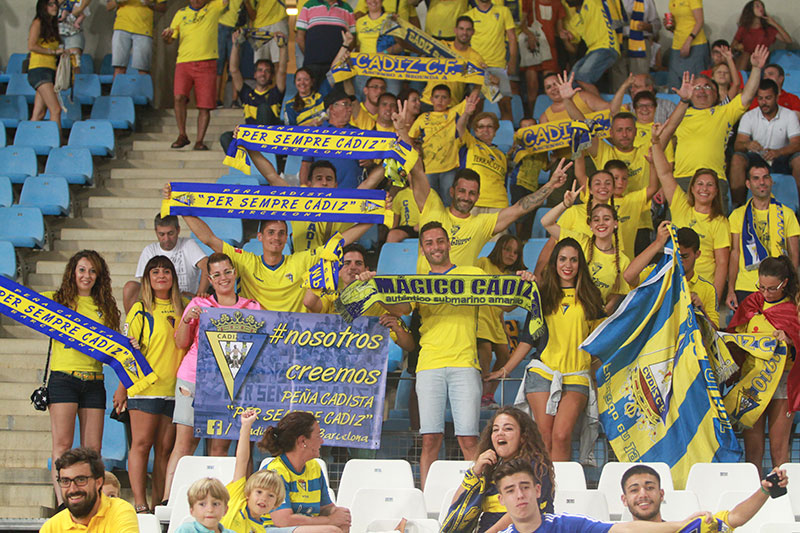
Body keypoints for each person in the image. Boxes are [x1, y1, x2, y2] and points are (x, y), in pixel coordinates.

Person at [371, 221, 504, 488]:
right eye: (429, 243)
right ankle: (427, 496)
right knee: (430, 439)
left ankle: (475, 496)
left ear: (449, 244)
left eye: (440, 241)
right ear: (422, 250)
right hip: (429, 365)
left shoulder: (472, 273)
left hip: (465, 365)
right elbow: (401, 309)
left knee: (468, 439)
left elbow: (507, 300)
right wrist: (376, 287)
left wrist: (523, 282)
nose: (436, 247)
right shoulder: (418, 283)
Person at [397, 100, 571, 273]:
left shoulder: (482, 224)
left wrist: (551, 184)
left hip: (463, 298)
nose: (466, 196)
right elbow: (417, 169)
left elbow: (520, 208)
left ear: (477, 196)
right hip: (427, 295)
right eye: (462, 191)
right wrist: (403, 131)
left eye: (472, 193)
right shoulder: (433, 207)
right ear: (452, 191)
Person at [488, 238, 604, 461]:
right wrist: (506, 369)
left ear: (580, 264)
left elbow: (600, 345)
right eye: (562, 259)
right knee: (544, 436)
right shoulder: (541, 296)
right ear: (554, 263)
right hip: (542, 373)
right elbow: (528, 339)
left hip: (576, 376)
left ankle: (559, 492)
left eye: (573, 260)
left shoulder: (591, 298)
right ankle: (545, 490)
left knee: (561, 435)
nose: (567, 265)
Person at [163, 253, 261, 504]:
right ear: (209, 278)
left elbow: (263, 347)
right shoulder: (198, 304)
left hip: (231, 385)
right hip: (193, 380)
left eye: (227, 272)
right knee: (184, 446)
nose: (223, 278)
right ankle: (168, 503)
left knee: (220, 449)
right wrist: (187, 319)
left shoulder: (253, 307)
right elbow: (181, 342)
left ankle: (221, 504)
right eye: (216, 274)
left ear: (235, 272)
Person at [44, 250, 121, 505]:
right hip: (63, 379)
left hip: (94, 381)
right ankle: (64, 505)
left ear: (99, 276)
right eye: (82, 270)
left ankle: (91, 503)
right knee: (62, 445)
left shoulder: (106, 307)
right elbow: (19, 304)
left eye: (92, 271)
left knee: (93, 451)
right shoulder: (55, 301)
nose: (86, 275)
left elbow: (115, 345)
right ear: (72, 273)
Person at [656, 45, 770, 210]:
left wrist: (756, 68)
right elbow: (664, 147)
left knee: (716, 231)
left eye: (707, 87)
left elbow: (747, 95)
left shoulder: (724, 112)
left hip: (714, 180)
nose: (702, 91)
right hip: (682, 180)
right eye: (697, 87)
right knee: (678, 232)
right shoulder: (679, 115)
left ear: (717, 95)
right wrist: (663, 183)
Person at [114, 256, 185, 513]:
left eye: (166, 271)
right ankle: (140, 504)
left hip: (174, 389)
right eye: (155, 272)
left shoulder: (183, 308)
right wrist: (122, 387)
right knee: (141, 446)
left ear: (173, 277)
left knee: (164, 451)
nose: (161, 276)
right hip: (144, 388)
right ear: (147, 278)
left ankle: (159, 506)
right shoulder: (140, 309)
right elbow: (125, 351)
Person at [493, 458, 701, 532]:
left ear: (538, 490)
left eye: (525, 486)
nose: (520, 495)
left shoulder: (569, 526)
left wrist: (682, 525)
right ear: (501, 500)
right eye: (510, 490)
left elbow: (626, 530)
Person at [728, 256, 800, 470]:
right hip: (752, 382)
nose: (765, 293)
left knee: (779, 451)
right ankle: (755, 497)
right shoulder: (751, 303)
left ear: (784, 283)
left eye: (771, 289)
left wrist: (790, 340)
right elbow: (735, 340)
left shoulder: (794, 307)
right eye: (761, 287)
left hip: (782, 382)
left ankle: (782, 500)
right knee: (753, 452)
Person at [651, 125, 730, 303]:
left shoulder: (720, 222)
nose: (704, 189)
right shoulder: (680, 204)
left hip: (702, 289)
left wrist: (713, 299)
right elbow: (663, 173)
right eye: (700, 184)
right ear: (692, 188)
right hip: (674, 284)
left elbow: (722, 264)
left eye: (710, 185)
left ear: (717, 191)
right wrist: (656, 142)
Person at [447, 407, 555, 533]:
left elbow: (522, 511)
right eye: (495, 429)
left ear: (523, 437)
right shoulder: (490, 468)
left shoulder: (536, 467)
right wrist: (475, 472)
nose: (500, 433)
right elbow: (457, 508)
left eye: (508, 429)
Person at [258, 412, 351, 531]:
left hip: (302, 528)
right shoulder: (275, 472)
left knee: (342, 521)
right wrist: (329, 521)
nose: (322, 441)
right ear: (303, 441)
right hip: (271, 528)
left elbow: (325, 507)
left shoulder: (314, 467)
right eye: (318, 436)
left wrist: (338, 513)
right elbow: (283, 521)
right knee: (329, 530)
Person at [542, 191, 631, 314]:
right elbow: (546, 222)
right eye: (596, 219)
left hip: (593, 319)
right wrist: (565, 204)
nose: (601, 223)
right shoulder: (581, 241)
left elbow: (617, 295)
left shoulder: (623, 260)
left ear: (615, 223)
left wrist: (602, 315)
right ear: (590, 225)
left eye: (606, 219)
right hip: (563, 312)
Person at [728, 161, 800, 312]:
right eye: (756, 178)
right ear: (748, 183)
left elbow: (794, 254)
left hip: (779, 287)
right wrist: (730, 289)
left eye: (765, 177)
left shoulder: (787, 214)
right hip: (746, 286)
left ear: (771, 181)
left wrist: (792, 286)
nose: (762, 182)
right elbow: (735, 253)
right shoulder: (737, 215)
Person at [621, 464, 789, 529]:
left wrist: (764, 490)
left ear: (661, 494)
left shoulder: (690, 529)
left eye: (649, 488)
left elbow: (735, 517)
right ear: (624, 499)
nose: (643, 494)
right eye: (634, 490)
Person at [162, 0, 229, 151]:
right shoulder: (181, 13)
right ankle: (182, 135)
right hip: (183, 62)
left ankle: (200, 140)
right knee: (179, 97)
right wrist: (166, 37)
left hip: (207, 62)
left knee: (204, 105)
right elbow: (170, 39)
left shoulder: (214, 7)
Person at [625, 223, 720, 328]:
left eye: (684, 256)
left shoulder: (708, 289)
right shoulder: (657, 273)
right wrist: (658, 243)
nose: (680, 261)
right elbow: (629, 276)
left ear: (697, 254)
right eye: (676, 255)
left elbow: (715, 331)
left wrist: (701, 310)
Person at [730, 79, 800, 205]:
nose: (764, 102)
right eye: (760, 98)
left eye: (768, 98)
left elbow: (797, 144)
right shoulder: (749, 116)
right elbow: (738, 145)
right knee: (737, 159)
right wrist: (747, 145)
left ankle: (798, 206)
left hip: (782, 158)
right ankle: (738, 207)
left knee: (798, 160)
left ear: (777, 97)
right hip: (756, 157)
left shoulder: (789, 115)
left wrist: (779, 152)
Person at [123, 214, 209, 314]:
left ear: (178, 230)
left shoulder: (188, 244)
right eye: (162, 234)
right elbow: (145, 282)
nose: (166, 239)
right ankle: (133, 324)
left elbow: (207, 265)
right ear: (156, 232)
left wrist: (200, 293)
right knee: (131, 287)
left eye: (170, 233)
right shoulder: (149, 250)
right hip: (158, 299)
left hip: (186, 299)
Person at [477, 236, 525, 407]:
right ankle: (481, 394)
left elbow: (505, 308)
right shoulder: (483, 263)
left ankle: (489, 393)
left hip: (496, 322)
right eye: (507, 249)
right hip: (480, 318)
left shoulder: (509, 276)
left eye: (515, 252)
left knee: (504, 356)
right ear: (498, 248)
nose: (511, 254)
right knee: (485, 355)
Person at [219, 29, 288, 150]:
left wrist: (282, 47)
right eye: (260, 70)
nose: (263, 74)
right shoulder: (247, 94)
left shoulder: (275, 93)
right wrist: (236, 45)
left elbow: (282, 71)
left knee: (263, 108)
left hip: (271, 139)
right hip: (251, 138)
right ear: (254, 74)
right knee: (226, 137)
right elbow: (234, 70)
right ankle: (244, 164)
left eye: (267, 71)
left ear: (271, 76)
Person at [41, 448, 138, 532]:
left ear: (98, 482)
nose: (73, 489)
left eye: (81, 480)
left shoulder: (119, 511)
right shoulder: (51, 528)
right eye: (65, 481)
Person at [409, 84, 468, 207]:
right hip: (429, 168)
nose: (440, 100)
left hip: (449, 168)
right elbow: (410, 138)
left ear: (450, 100)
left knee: (448, 200)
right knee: (430, 203)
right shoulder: (423, 117)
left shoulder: (453, 113)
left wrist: (478, 81)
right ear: (431, 100)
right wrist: (416, 150)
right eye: (436, 97)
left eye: (444, 97)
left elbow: (471, 99)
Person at [299, 87, 364, 190]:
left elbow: (368, 163)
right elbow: (306, 164)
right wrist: (303, 187)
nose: (350, 109)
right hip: (323, 194)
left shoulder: (358, 133)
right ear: (332, 108)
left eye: (350, 105)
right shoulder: (317, 133)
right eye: (345, 104)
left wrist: (369, 162)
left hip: (353, 195)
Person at [466, 0, 517, 120]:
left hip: (499, 66)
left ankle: (508, 137)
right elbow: (465, 43)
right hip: (477, 68)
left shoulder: (503, 11)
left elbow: (512, 37)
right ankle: (475, 138)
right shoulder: (468, 15)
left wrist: (513, 60)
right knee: (476, 108)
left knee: (505, 106)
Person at [420, 16, 486, 109]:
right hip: (428, 101)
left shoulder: (475, 57)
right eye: (461, 29)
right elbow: (414, 43)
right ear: (455, 30)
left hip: (452, 105)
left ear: (473, 32)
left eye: (468, 29)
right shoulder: (442, 46)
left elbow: (482, 79)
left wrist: (476, 90)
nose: (464, 33)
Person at [459, 104, 509, 214]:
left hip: (499, 205)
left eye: (489, 126)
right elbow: (460, 127)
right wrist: (467, 113)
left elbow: (503, 181)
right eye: (481, 127)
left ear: (495, 131)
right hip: (474, 203)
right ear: (475, 131)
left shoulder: (502, 155)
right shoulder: (471, 143)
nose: (485, 129)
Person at [518, 0, 565, 115]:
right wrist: (530, 35)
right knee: (532, 86)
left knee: (553, 85)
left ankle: (555, 114)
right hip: (534, 48)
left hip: (550, 49)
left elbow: (559, 30)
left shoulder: (557, 3)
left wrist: (566, 35)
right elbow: (522, 24)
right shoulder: (529, 2)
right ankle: (533, 116)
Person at [564, 0, 621, 96]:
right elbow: (573, 42)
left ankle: (601, 108)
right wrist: (567, 37)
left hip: (606, 47)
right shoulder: (574, 19)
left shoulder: (593, 2)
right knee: (570, 82)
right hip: (591, 51)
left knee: (583, 77)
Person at [296, 0, 355, 84]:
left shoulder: (347, 9)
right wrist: (309, 55)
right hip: (312, 64)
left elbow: (352, 39)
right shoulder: (309, 6)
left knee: (337, 95)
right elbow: (300, 36)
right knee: (313, 94)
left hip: (338, 64)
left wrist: (343, 56)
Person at [28, 0, 65, 132]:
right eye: (50, 4)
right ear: (43, 6)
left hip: (49, 71)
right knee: (55, 109)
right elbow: (31, 45)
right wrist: (53, 52)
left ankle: (28, 140)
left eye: (55, 4)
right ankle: (57, 144)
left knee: (38, 114)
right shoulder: (38, 22)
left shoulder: (52, 26)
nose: (55, 7)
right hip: (39, 70)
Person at [353, 1, 402, 96]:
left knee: (392, 99)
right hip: (365, 68)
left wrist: (384, 52)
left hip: (388, 67)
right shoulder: (359, 22)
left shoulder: (391, 19)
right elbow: (358, 47)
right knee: (363, 100)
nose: (373, 1)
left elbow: (401, 45)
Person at [107, 0, 167, 77]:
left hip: (144, 30)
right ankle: (118, 89)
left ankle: (142, 89)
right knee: (119, 68)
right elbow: (109, 6)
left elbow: (163, 7)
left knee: (143, 69)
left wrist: (150, 3)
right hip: (121, 27)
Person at [733, 0, 792, 71]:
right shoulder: (744, 28)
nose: (761, 8)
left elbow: (789, 40)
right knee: (745, 55)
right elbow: (732, 46)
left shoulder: (768, 29)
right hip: (745, 59)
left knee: (747, 57)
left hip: (761, 60)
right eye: (757, 6)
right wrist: (738, 47)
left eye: (762, 6)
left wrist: (774, 23)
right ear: (751, 10)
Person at [666, 0, 708, 89]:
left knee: (694, 82)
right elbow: (679, 23)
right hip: (677, 45)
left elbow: (700, 21)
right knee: (675, 82)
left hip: (695, 44)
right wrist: (669, 26)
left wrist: (688, 41)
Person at [610, 73, 677, 125]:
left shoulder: (668, 106)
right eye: (631, 87)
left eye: (637, 87)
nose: (632, 90)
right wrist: (624, 86)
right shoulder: (629, 107)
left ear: (650, 88)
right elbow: (614, 112)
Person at [247, 0, 289, 67]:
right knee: (261, 65)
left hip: (278, 20)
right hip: (259, 26)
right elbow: (252, 16)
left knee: (279, 62)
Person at [58, 0, 90, 71]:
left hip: (73, 31)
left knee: (74, 65)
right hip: (55, 31)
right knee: (57, 67)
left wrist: (76, 12)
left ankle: (75, 81)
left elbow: (84, 4)